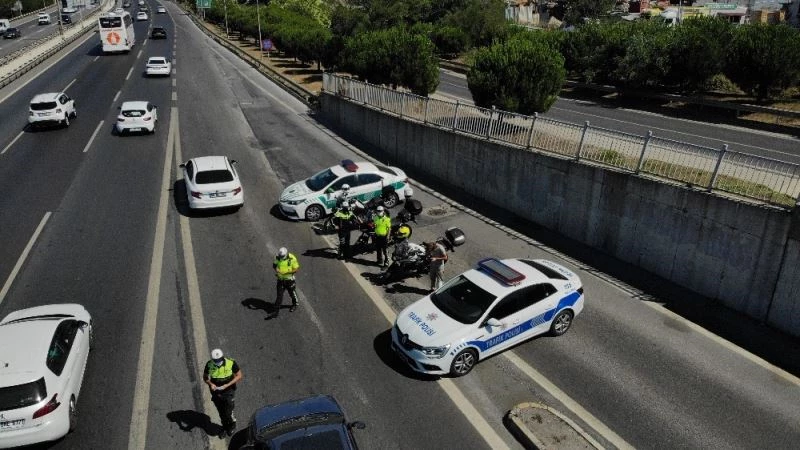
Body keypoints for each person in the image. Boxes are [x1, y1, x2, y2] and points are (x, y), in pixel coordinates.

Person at [203, 348, 243, 438]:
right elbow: (205, 377)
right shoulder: (209, 364)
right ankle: (225, 427)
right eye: (215, 360)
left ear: (222, 357)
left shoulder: (231, 363)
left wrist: (227, 384)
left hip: (228, 391)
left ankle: (232, 424)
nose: (218, 362)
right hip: (216, 392)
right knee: (221, 412)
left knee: (228, 411)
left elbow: (239, 375)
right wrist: (210, 383)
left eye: (219, 360)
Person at [269, 247, 300, 319]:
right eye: (280, 256)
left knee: (292, 293)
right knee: (279, 296)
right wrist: (277, 269)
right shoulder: (278, 257)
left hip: (289, 280)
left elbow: (296, 269)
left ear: (286, 254)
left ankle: (295, 304)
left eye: (282, 256)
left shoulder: (292, 258)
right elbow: (274, 265)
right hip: (280, 280)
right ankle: (275, 312)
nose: (281, 258)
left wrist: (286, 272)